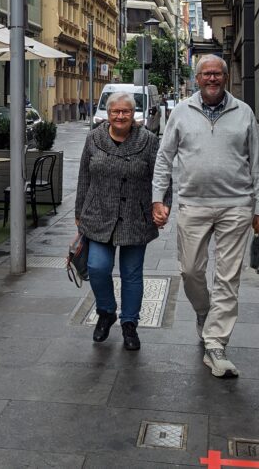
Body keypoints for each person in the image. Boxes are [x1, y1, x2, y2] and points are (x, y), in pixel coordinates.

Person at [152, 54, 259, 379]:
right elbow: (164, 158)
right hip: (193, 204)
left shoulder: (243, 112)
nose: (213, 79)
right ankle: (205, 313)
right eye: (206, 74)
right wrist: (157, 199)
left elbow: (258, 164)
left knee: (228, 277)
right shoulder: (181, 112)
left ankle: (216, 345)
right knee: (190, 271)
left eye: (218, 73)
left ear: (224, 77)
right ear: (197, 77)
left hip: (236, 205)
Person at [75, 91, 169, 351]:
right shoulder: (94, 138)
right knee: (96, 267)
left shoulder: (148, 140)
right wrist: (78, 214)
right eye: (115, 111)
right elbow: (84, 176)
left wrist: (161, 204)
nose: (120, 116)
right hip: (98, 215)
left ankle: (130, 324)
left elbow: (161, 176)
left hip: (135, 217)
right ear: (107, 113)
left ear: (133, 113)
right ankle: (106, 311)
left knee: (132, 274)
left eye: (125, 111)